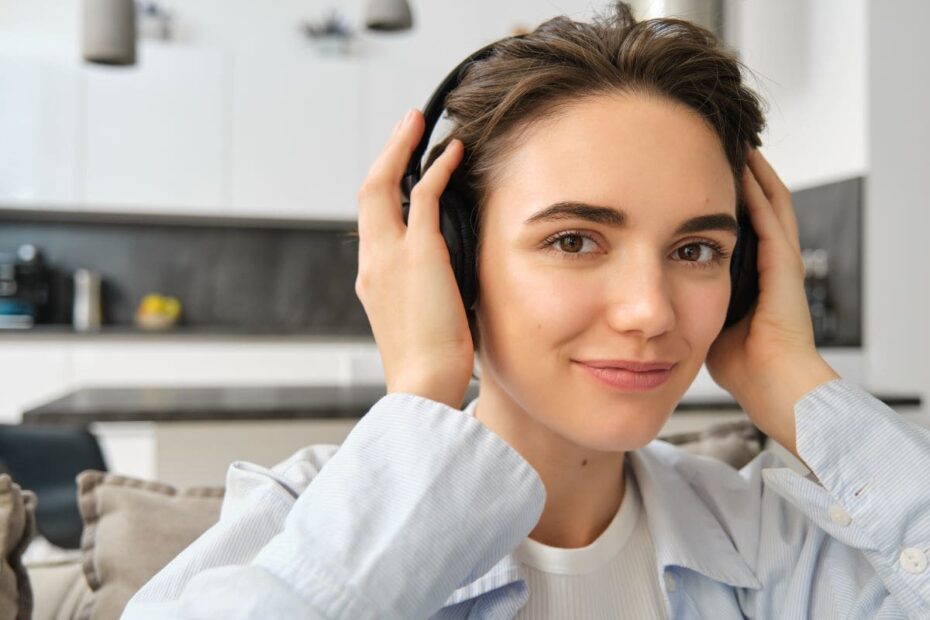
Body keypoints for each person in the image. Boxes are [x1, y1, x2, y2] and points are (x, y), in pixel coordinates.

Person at [123, 3, 930, 618]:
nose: (651, 311)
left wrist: (792, 375)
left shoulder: (771, 543)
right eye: (575, 240)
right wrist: (421, 395)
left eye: (696, 251)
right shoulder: (296, 521)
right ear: (448, 255)